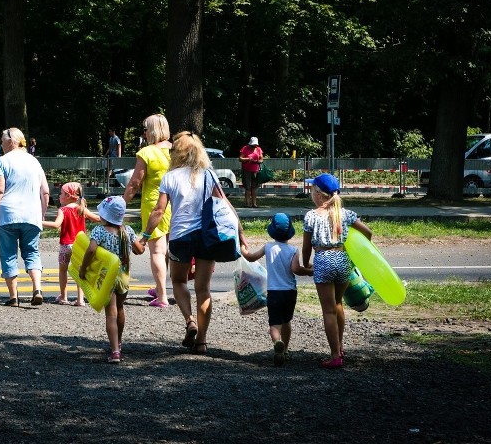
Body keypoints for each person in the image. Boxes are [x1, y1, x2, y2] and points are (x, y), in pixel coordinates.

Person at [138, 132, 248, 355]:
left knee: (178, 281)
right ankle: (202, 342)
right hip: (207, 236)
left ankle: (189, 321)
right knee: (203, 289)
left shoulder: (170, 177)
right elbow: (225, 204)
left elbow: (159, 211)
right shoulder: (208, 174)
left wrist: (144, 237)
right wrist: (241, 232)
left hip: (180, 237)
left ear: (176, 152)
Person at [302, 173, 372, 369]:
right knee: (338, 303)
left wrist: (307, 264)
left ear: (318, 194)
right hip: (343, 261)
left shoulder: (311, 216)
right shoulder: (346, 214)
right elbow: (368, 233)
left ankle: (335, 356)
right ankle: (340, 347)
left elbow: (306, 247)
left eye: (312, 190)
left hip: (323, 260)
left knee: (328, 310)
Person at [0, 128, 51, 307]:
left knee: (8, 254)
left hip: (8, 215)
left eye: (2, 139)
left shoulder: (2, 161)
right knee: (32, 252)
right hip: (32, 215)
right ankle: (37, 289)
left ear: (11, 141)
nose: (0, 142)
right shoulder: (35, 162)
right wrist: (41, 214)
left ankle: (14, 297)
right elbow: (45, 192)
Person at [79, 196, 144, 363]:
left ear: (105, 215)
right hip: (123, 277)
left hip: (106, 276)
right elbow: (139, 250)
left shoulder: (99, 231)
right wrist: (144, 239)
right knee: (120, 308)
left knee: (111, 313)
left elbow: (91, 250)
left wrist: (83, 268)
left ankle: (115, 351)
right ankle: (119, 342)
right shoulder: (128, 231)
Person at [244, 213, 313, 366]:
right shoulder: (293, 250)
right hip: (289, 292)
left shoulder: (268, 247)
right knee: (287, 321)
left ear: (272, 232)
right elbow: (295, 269)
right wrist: (308, 271)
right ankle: (286, 349)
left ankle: (277, 342)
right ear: (289, 233)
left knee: (274, 324)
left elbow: (251, 257)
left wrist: (242, 248)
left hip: (274, 292)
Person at [122, 113, 172, 308]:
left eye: (144, 129)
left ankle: (162, 297)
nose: (143, 133)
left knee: (157, 252)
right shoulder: (177, 150)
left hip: (154, 204)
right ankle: (162, 288)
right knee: (168, 251)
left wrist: (122, 204)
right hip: (175, 204)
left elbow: (135, 183)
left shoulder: (147, 152)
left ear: (151, 131)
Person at [43, 182, 100, 306]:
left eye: (62, 193)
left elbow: (56, 225)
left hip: (65, 246)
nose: (59, 196)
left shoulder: (62, 210)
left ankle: (63, 297)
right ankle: (80, 299)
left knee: (63, 271)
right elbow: (97, 219)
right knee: (81, 271)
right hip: (80, 247)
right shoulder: (82, 208)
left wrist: (39, 222)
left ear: (68, 196)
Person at [239, 136, 263, 208]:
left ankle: (254, 204)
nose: (254, 147)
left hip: (255, 171)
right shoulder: (245, 148)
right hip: (246, 170)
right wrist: (248, 159)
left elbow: (261, 159)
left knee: (254, 187)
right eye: (253, 145)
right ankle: (247, 203)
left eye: (255, 145)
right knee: (248, 187)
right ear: (250, 144)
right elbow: (240, 159)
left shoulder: (258, 149)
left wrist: (257, 161)